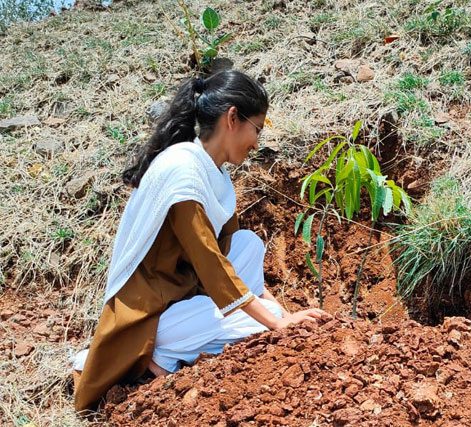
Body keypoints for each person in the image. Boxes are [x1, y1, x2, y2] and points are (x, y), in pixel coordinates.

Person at [73, 70, 328, 412]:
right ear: (233, 118)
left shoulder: (213, 171)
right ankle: (158, 355)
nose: (257, 142)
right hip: (150, 313)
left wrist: (283, 312)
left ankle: (183, 344)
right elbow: (212, 264)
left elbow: (228, 254)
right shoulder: (184, 174)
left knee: (248, 244)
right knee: (259, 316)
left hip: (183, 293)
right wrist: (277, 322)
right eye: (258, 129)